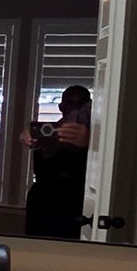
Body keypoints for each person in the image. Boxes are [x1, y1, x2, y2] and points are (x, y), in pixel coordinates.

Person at [23, 85, 92, 238]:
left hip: (73, 203)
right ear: (61, 106)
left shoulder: (95, 135)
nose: (73, 108)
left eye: (80, 103)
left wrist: (90, 142)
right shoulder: (49, 131)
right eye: (69, 102)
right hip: (42, 202)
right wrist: (31, 138)